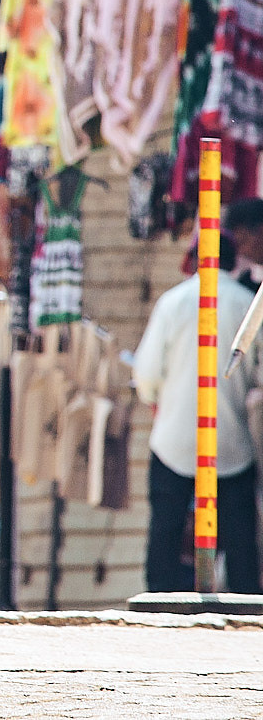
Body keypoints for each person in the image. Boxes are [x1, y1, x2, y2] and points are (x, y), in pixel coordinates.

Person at [134, 196, 261, 595]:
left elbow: (146, 374)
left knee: (165, 536)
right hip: (231, 443)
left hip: (173, 441)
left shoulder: (172, 303)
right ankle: (247, 618)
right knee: (241, 543)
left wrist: (160, 399)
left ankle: (159, 608)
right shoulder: (248, 306)